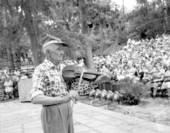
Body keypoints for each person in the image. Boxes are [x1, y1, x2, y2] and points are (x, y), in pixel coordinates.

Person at [30, 36, 79, 133]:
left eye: (62, 49)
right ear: (48, 53)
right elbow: (35, 98)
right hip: (53, 113)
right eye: (58, 49)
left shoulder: (62, 68)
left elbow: (68, 89)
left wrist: (72, 93)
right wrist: (62, 99)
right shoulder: (41, 69)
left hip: (67, 109)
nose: (62, 52)